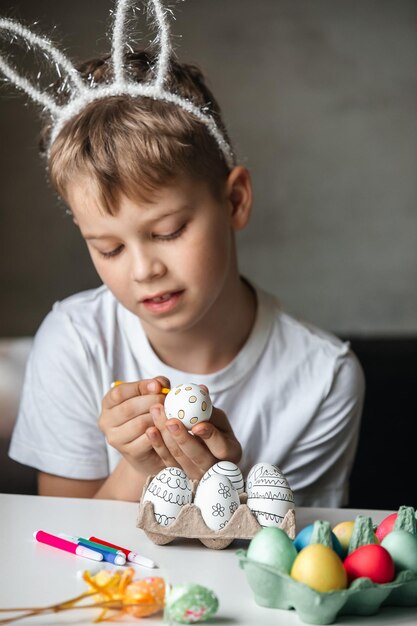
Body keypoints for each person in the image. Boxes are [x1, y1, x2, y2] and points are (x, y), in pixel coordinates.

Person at [5, 1, 364, 507]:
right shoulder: (74, 344)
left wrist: (226, 489)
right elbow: (64, 543)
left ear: (235, 200)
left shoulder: (322, 380)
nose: (143, 269)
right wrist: (140, 468)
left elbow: (295, 566)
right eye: (108, 247)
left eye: (169, 231)